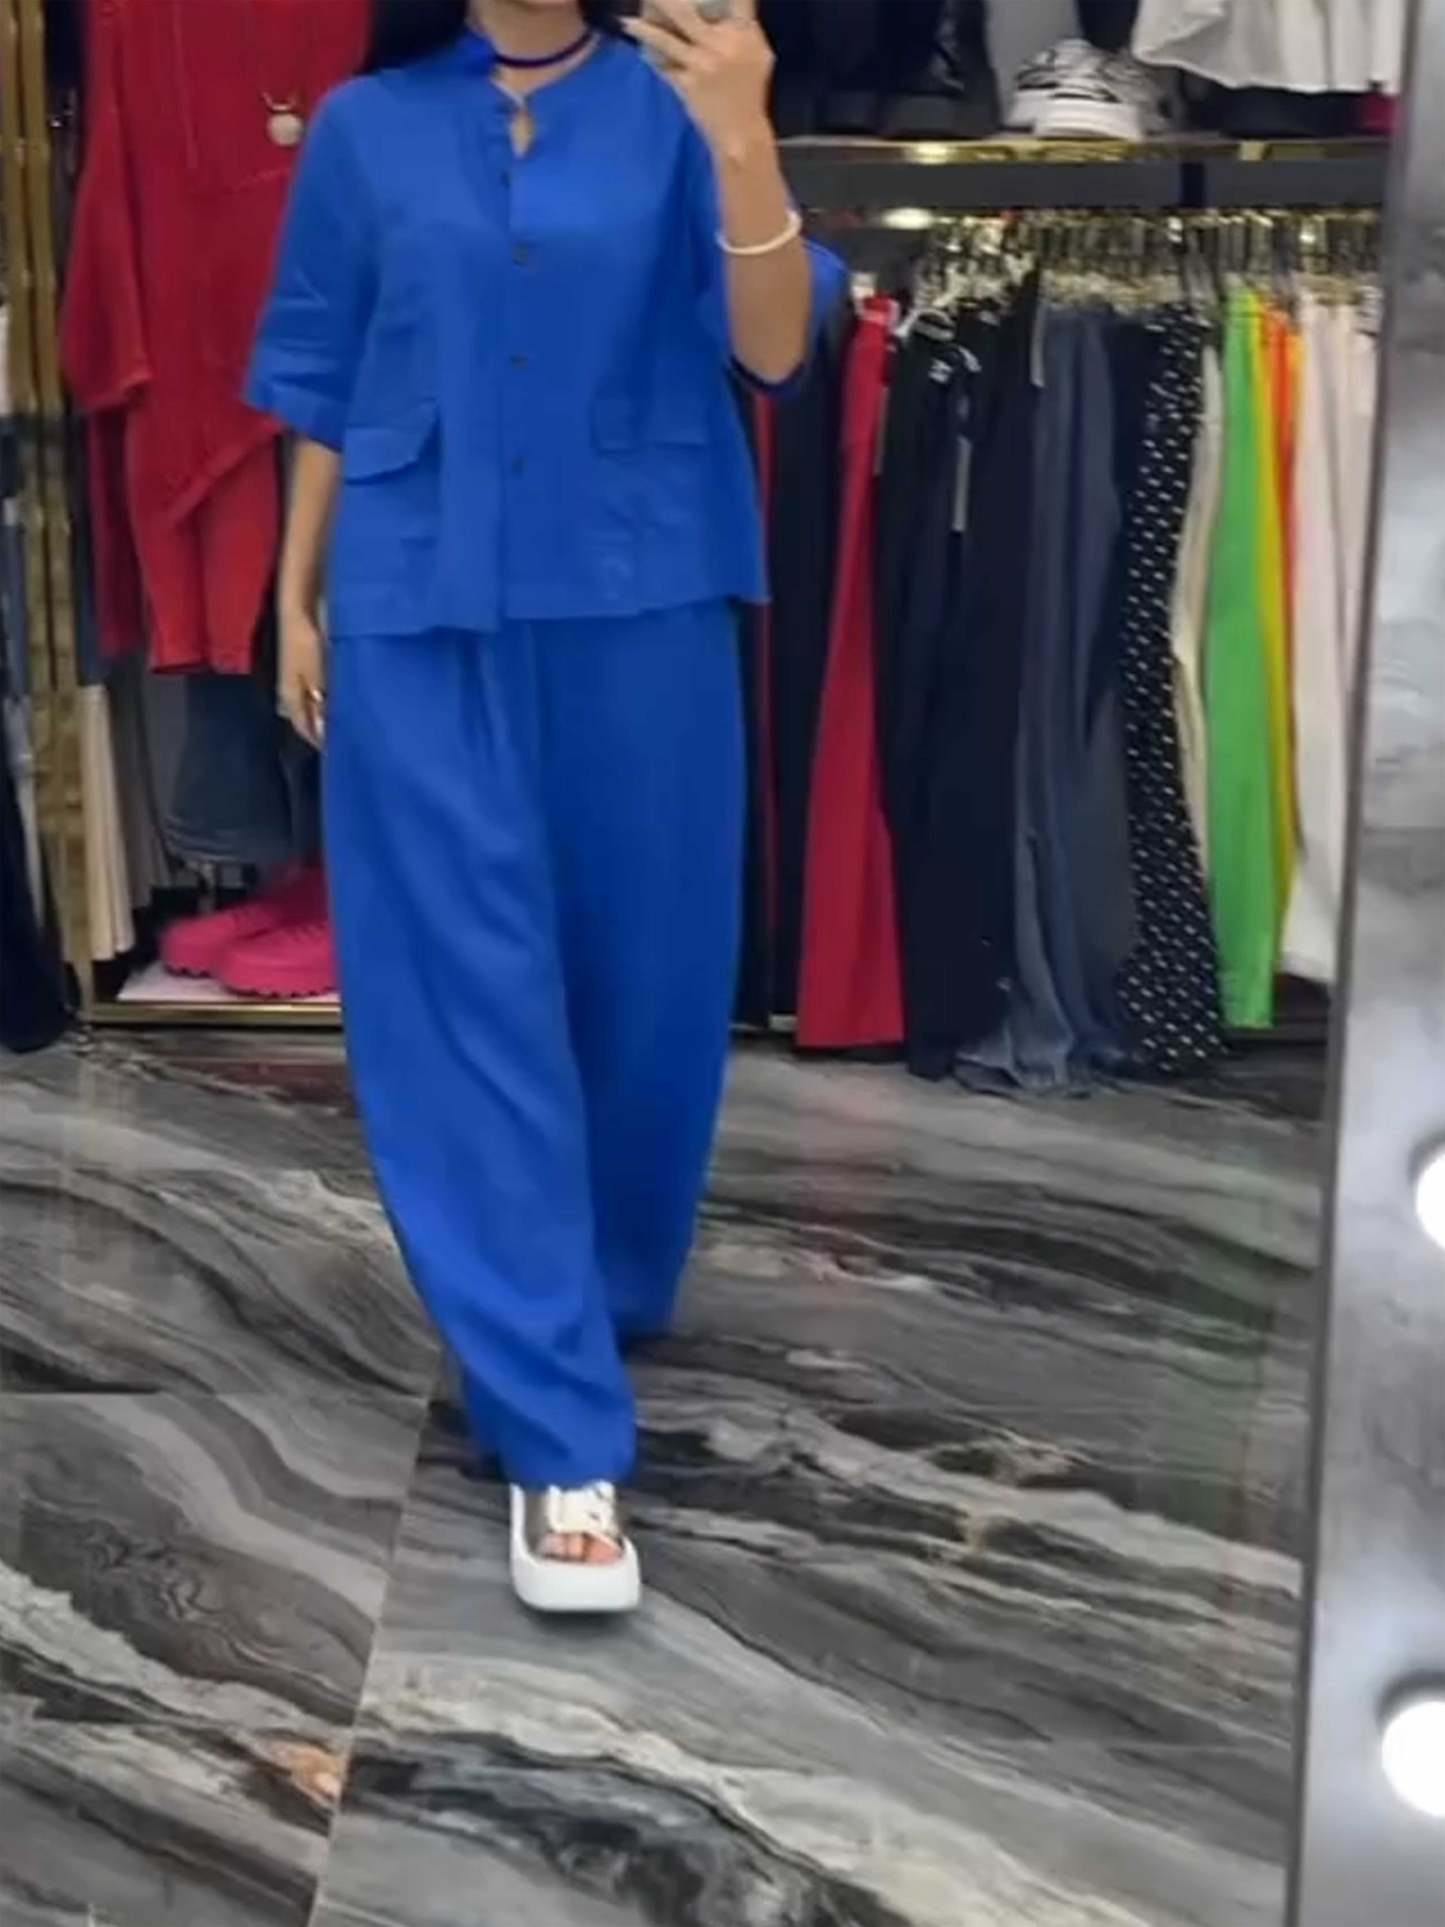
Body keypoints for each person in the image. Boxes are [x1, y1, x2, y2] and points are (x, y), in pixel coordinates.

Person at [248, 0, 843, 1613]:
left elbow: (774, 348)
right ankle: (558, 1429)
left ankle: (589, 1289)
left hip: (640, 599)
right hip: (416, 604)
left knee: (644, 993)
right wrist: (297, 593)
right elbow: (331, 380)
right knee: (456, 1001)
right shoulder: (368, 129)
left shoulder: (676, 109)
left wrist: (740, 132)